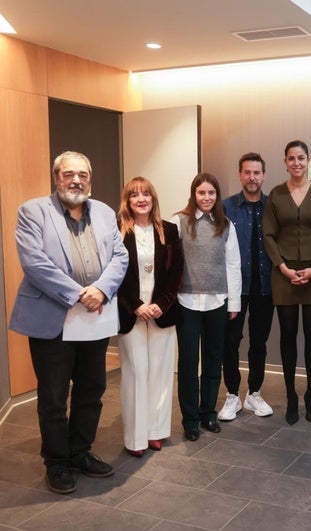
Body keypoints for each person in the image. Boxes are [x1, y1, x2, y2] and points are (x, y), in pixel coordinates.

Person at [10, 151, 128, 494]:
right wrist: (80, 294)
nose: (76, 180)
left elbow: (120, 257)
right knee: (53, 396)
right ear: (56, 177)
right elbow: (35, 263)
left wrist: (102, 291)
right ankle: (57, 462)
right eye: (68, 174)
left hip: (95, 317)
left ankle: (80, 452)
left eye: (82, 175)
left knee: (92, 390)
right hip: (54, 318)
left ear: (90, 179)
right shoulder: (33, 211)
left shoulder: (105, 213)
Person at [263, 141, 311, 425]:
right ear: (285, 161)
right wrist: (283, 268)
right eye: (291, 158)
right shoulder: (277, 195)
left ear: (308, 160)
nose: (296, 163)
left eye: (301, 158)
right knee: (288, 337)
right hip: (284, 276)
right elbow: (268, 235)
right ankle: (292, 396)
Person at [117, 177, 184, 457]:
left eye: (146, 194)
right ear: (128, 201)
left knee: (160, 370)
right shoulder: (117, 232)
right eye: (135, 195)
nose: (141, 199)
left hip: (162, 312)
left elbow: (177, 272)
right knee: (136, 371)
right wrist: (135, 305)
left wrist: (160, 304)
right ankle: (135, 437)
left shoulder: (168, 230)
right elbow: (115, 276)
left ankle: (156, 431)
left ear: (153, 199)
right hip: (130, 312)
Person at [172, 173, 241, 441]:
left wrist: (234, 301)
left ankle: (208, 413)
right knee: (189, 363)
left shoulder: (225, 225)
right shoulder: (178, 222)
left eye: (211, 193)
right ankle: (190, 420)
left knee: (213, 361)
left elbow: (233, 264)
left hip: (217, 302)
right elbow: (169, 262)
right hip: (186, 302)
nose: (206, 198)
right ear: (194, 194)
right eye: (201, 193)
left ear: (217, 196)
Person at [218, 153, 275, 421]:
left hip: (265, 286)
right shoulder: (226, 207)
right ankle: (232, 395)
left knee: (259, 342)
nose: (252, 177)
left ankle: (254, 394)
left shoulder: (273, 206)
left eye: (257, 173)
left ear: (263, 175)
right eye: (247, 172)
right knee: (230, 342)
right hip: (234, 288)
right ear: (240, 175)